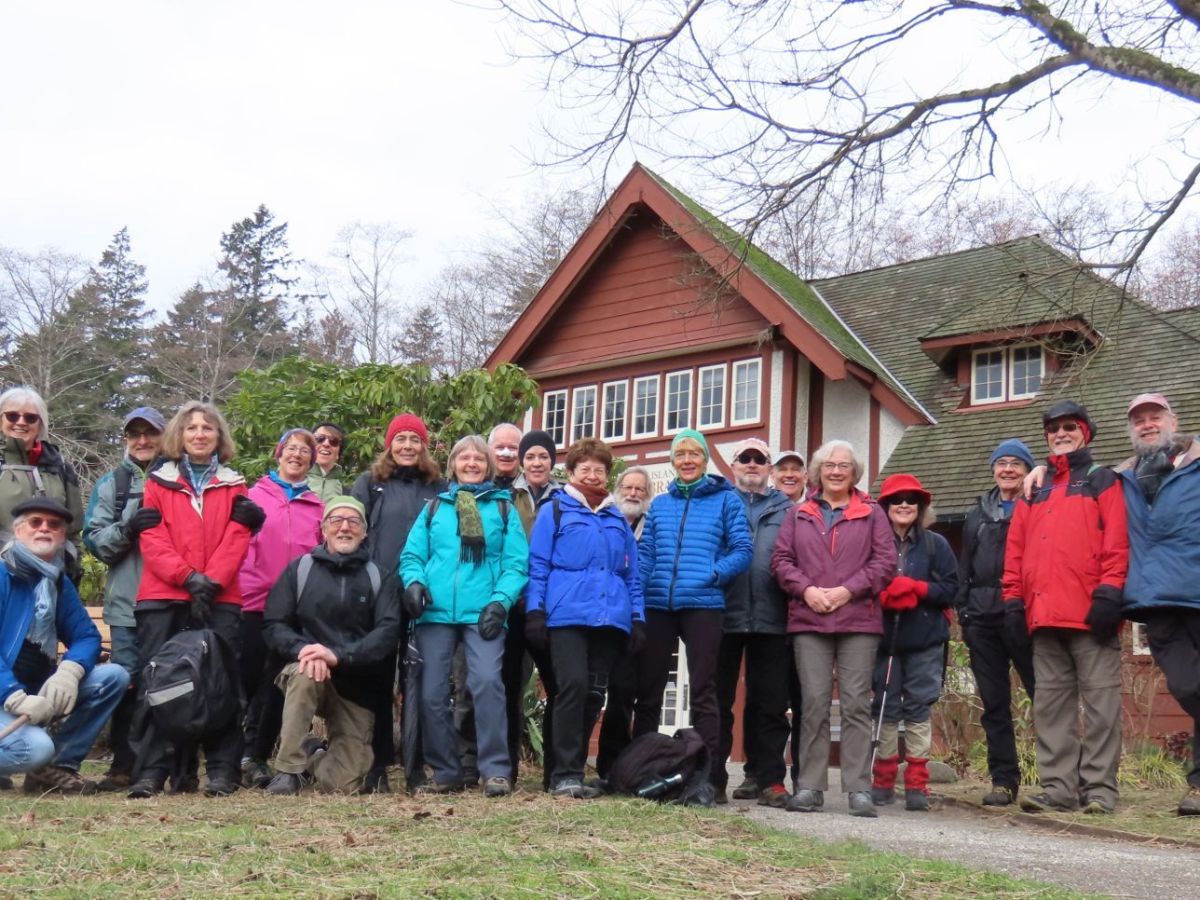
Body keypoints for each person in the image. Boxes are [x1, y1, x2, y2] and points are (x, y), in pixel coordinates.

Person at [127, 401, 263, 799]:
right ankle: (153, 771)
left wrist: (211, 582)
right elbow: (151, 538)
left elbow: (238, 536)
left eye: (208, 428)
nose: (200, 434)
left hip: (221, 597)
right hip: (163, 596)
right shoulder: (159, 482)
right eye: (192, 428)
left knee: (221, 683)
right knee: (159, 683)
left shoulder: (235, 483)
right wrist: (188, 578)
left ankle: (222, 770)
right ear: (179, 436)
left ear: (219, 436)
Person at [1003, 400, 1127, 815]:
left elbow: (1117, 544)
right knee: (1051, 708)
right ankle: (1058, 788)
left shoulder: (1102, 480)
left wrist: (1110, 594)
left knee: (1101, 708)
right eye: (1053, 428)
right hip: (1043, 618)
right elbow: (1015, 553)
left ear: (1085, 432)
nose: (1061, 433)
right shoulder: (1034, 489)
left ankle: (1100, 791)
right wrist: (1013, 603)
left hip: (1091, 615)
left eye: (1069, 426)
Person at [771, 439, 895, 818]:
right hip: (809, 620)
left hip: (859, 619)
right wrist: (807, 590)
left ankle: (858, 787)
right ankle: (809, 785)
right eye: (829, 465)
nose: (837, 471)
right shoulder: (798, 513)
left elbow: (886, 562)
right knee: (813, 705)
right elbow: (781, 560)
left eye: (844, 465)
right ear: (818, 471)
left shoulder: (872, 513)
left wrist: (847, 591)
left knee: (857, 703)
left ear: (854, 472)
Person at [399, 435, 529, 796]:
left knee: (487, 683)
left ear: (488, 466)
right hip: (435, 612)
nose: (471, 464)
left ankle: (495, 770)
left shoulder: (503, 509)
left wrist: (501, 601)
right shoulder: (434, 508)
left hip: (483, 611)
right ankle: (446, 772)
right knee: (432, 692)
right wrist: (413, 583)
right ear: (453, 464)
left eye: (478, 459)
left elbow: (516, 562)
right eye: (464, 458)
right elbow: (413, 556)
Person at [634, 429, 752, 802]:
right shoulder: (661, 505)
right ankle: (642, 770)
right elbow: (647, 552)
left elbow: (743, 549)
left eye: (694, 453)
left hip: (703, 604)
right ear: (673, 460)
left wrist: (713, 574)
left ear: (705, 460)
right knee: (649, 690)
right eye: (680, 453)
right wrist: (639, 587)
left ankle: (710, 778)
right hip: (658, 605)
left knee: (704, 692)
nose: (686, 459)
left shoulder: (726, 500)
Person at [525, 438, 644, 798]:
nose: (592, 474)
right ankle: (563, 773)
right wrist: (535, 610)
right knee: (571, 687)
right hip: (567, 616)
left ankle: (571, 771)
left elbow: (631, 574)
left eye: (599, 469)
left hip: (609, 618)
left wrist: (637, 617)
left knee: (594, 694)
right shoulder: (556, 509)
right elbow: (539, 564)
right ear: (572, 472)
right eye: (585, 468)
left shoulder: (616, 518)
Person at [263, 496, 401, 795]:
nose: (344, 528)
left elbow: (387, 632)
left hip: (356, 685)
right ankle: (287, 771)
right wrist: (304, 650)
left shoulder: (380, 577)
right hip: (308, 671)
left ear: (365, 532)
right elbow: (274, 624)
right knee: (305, 674)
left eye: (353, 522)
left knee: (344, 784)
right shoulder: (299, 570)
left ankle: (313, 755)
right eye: (336, 520)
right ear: (323, 529)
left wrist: (338, 656)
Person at [1, 497, 129, 793]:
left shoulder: (56, 581)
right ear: (18, 531)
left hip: (39, 693)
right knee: (34, 750)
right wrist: (14, 697)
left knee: (113, 677)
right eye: (35, 522)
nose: (44, 529)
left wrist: (69, 672)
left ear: (61, 537)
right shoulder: (3, 575)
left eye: (54, 525)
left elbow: (86, 636)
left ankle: (57, 768)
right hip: (8, 695)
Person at [1114, 392, 1200, 816]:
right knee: (1188, 686)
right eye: (1140, 420)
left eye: (1155, 417)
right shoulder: (1123, 478)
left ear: (1173, 421)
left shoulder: (1198, 465)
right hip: (1156, 600)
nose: (1148, 424)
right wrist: (1036, 468)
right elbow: (1070, 479)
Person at [351, 413, 445, 793]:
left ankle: (415, 767)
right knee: (377, 681)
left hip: (424, 596)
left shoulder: (439, 487)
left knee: (419, 683)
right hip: (378, 595)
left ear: (424, 446)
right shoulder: (370, 483)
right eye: (400, 439)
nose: (407, 446)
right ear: (389, 444)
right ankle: (375, 767)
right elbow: (353, 532)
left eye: (414, 439)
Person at [81, 406, 167, 791]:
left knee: (167, 682)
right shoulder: (110, 485)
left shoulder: (177, 479)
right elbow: (97, 543)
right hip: (127, 605)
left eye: (150, 433)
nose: (143, 440)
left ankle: (166, 762)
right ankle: (123, 764)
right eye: (135, 434)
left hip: (170, 602)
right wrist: (129, 526)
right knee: (128, 684)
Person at [237, 429, 325, 789]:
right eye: (291, 448)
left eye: (305, 451)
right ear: (278, 453)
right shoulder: (252, 497)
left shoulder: (317, 506)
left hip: (292, 611)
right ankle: (231, 755)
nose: (297, 455)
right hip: (251, 600)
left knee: (276, 684)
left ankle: (257, 757)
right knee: (244, 680)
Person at [955, 438, 1037, 806]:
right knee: (994, 704)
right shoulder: (978, 513)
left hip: (1025, 615)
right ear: (993, 469)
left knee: (1046, 697)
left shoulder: (1038, 503)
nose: (1008, 469)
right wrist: (964, 609)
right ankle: (1004, 780)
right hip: (982, 618)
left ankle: (1061, 779)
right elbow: (965, 566)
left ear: (1026, 470)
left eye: (1016, 464)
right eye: (1001, 463)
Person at [869, 474, 959, 811]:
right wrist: (883, 593)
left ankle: (918, 784)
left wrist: (918, 589)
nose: (904, 504)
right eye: (896, 499)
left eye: (911, 499)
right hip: (885, 640)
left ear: (920, 507)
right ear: (886, 506)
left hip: (924, 639)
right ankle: (883, 778)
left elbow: (951, 589)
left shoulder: (937, 545)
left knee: (919, 708)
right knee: (885, 708)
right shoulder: (873, 542)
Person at [714, 438, 794, 807]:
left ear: (769, 468)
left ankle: (769, 779)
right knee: (716, 702)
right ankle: (712, 777)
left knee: (770, 702)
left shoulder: (788, 509)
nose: (751, 464)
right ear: (733, 465)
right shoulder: (718, 503)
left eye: (759, 459)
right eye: (744, 459)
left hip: (773, 616)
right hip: (722, 615)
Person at [502, 429, 563, 786]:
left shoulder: (565, 497)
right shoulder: (506, 496)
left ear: (552, 461)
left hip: (552, 606)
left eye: (543, 456)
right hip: (513, 602)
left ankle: (555, 770)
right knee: (508, 687)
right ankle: (504, 769)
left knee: (558, 687)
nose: (537, 463)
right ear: (522, 462)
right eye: (531, 457)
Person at [595, 466, 653, 780]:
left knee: (624, 691)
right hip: (605, 614)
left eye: (639, 490)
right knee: (593, 689)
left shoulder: (652, 526)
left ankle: (615, 765)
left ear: (647, 496)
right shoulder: (605, 521)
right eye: (627, 487)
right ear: (618, 490)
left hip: (639, 617)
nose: (632, 494)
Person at [0, 386, 84, 580]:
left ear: (40, 424)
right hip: (4, 575)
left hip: (52, 574)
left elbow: (74, 527)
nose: (21, 422)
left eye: (30, 418)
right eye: (12, 416)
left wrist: (73, 566)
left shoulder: (60, 466)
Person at [771, 449, 808, 795]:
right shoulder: (763, 508)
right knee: (769, 700)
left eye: (796, 470)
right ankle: (766, 774)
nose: (790, 475)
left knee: (807, 700)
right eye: (783, 469)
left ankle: (805, 777)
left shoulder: (815, 511)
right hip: (771, 617)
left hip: (811, 617)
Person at [309, 422, 347, 503]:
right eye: (319, 438)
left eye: (334, 441)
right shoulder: (295, 480)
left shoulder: (346, 493)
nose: (326, 444)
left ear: (338, 453)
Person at [488, 423, 523, 488]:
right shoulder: (477, 484)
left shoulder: (532, 487)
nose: (506, 453)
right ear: (489, 450)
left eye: (512, 447)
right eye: (500, 447)